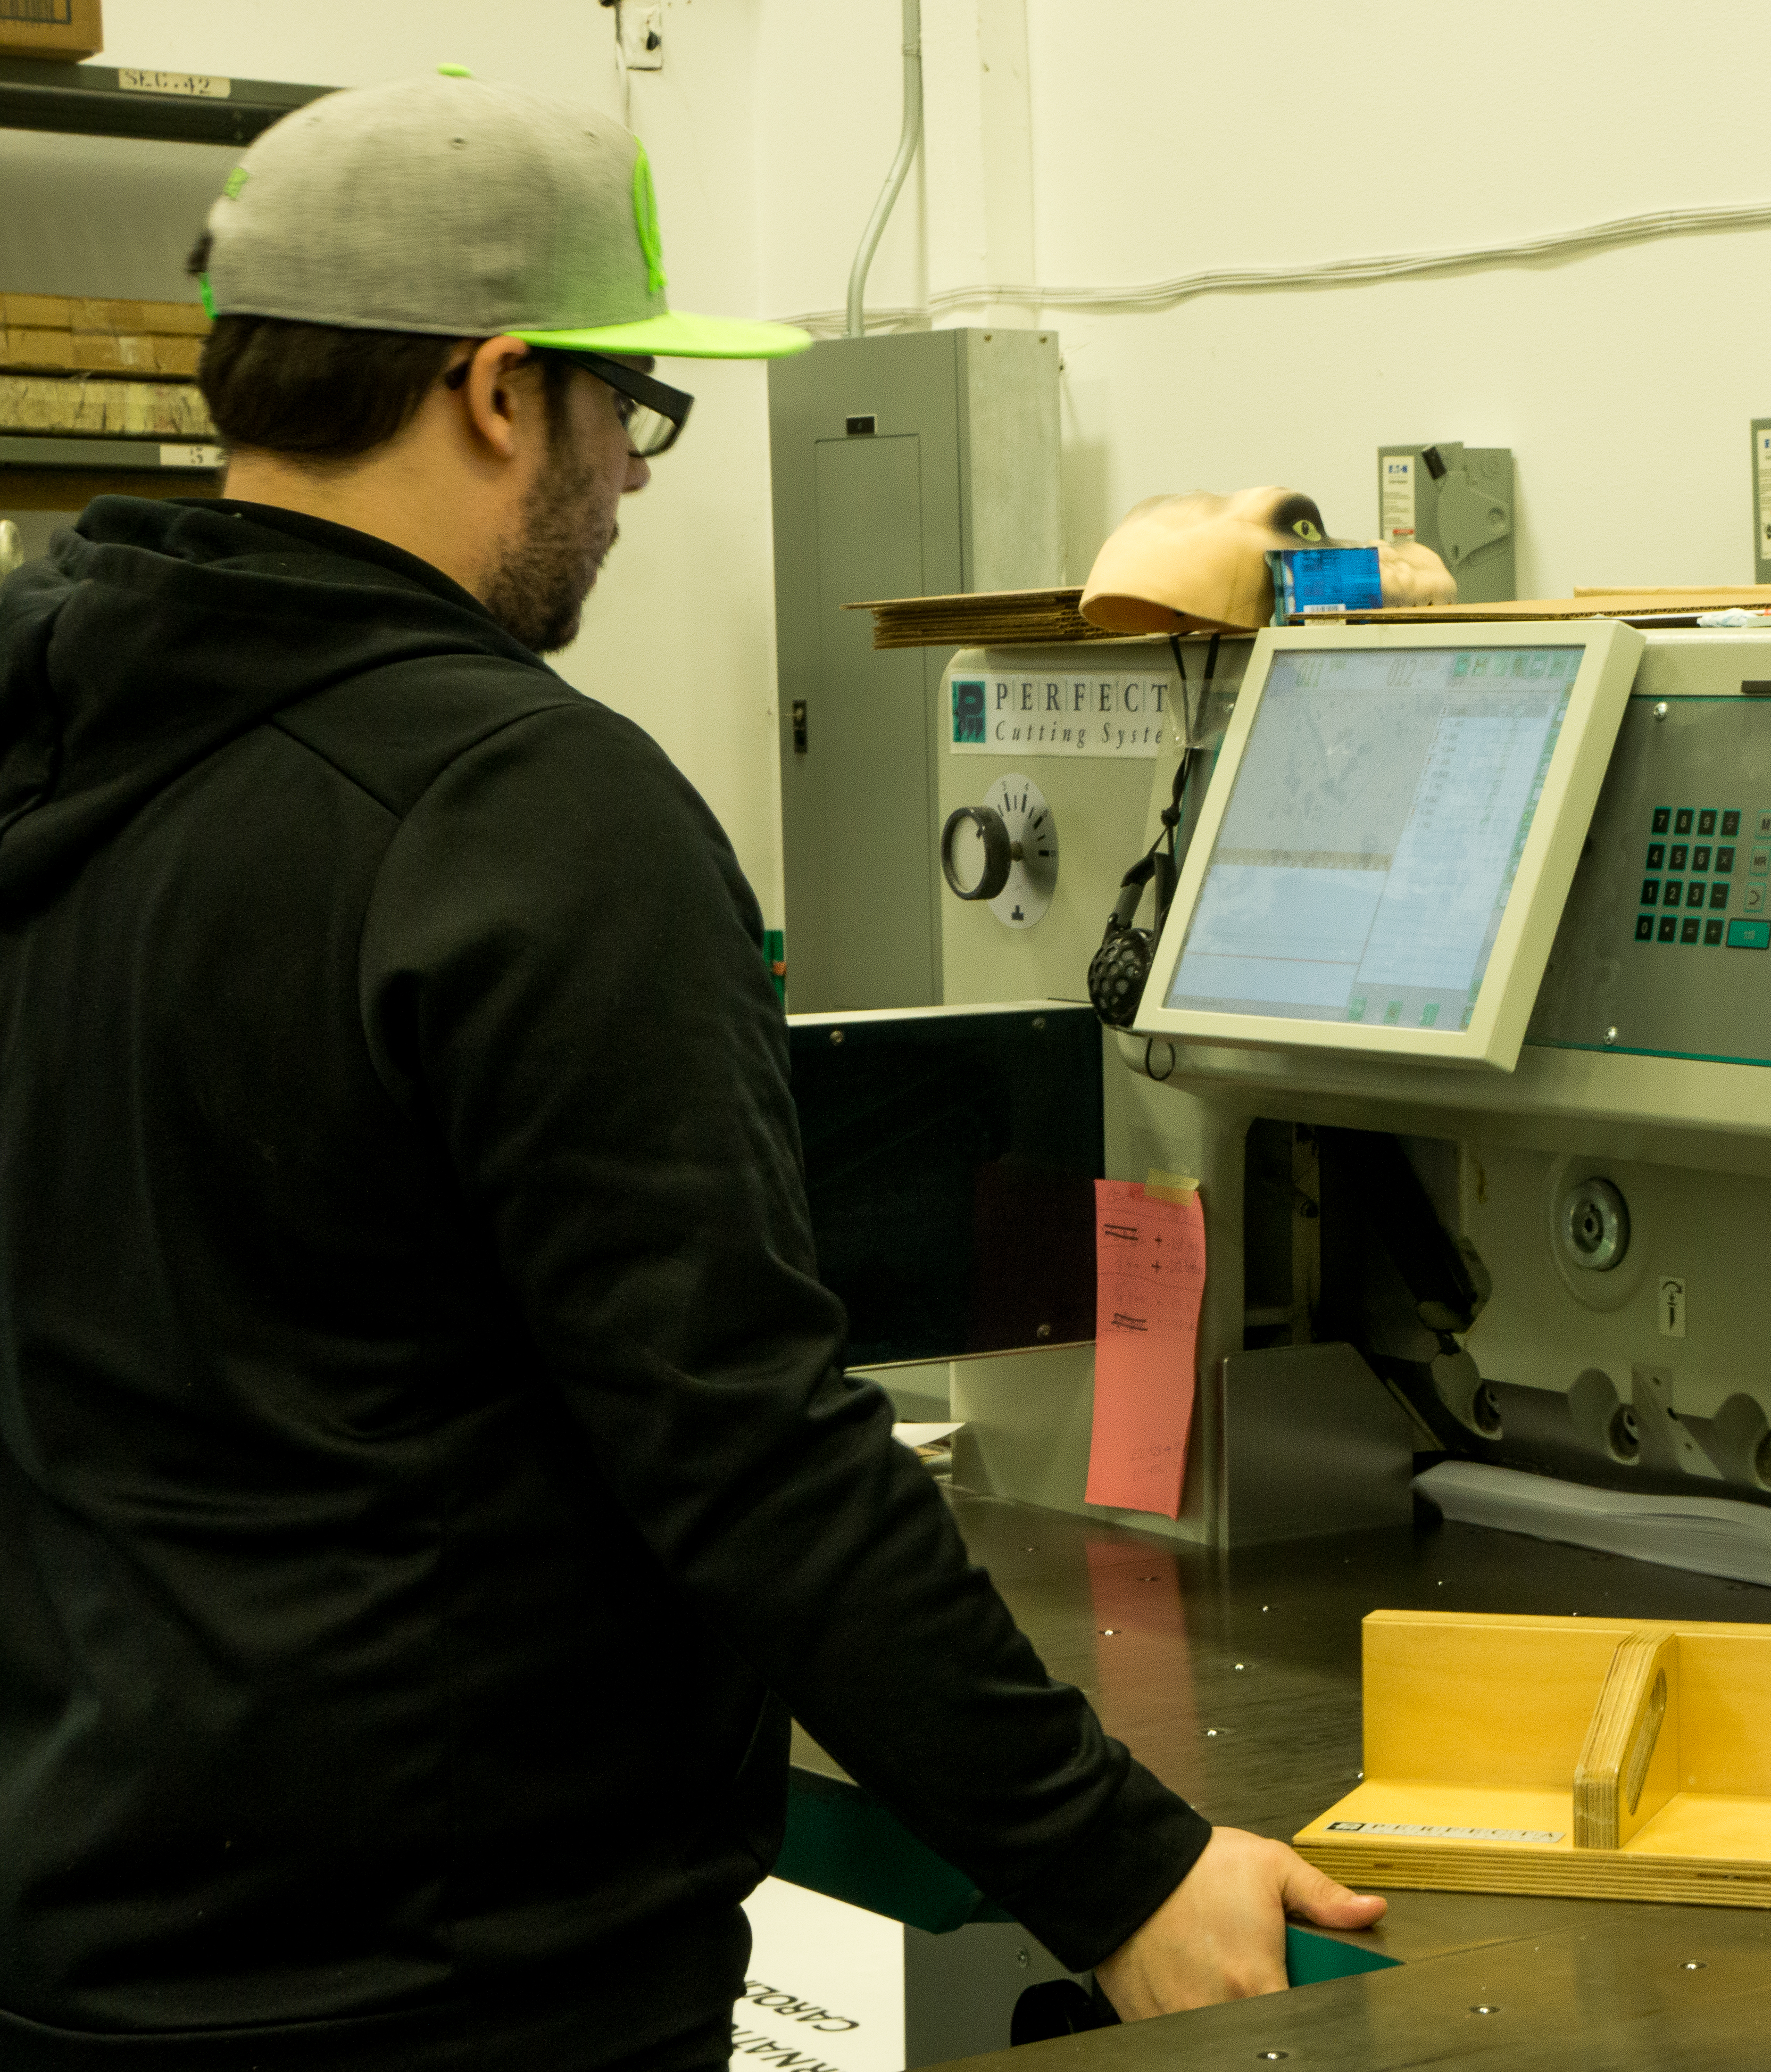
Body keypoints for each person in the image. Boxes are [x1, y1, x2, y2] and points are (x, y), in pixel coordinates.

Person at [0, 72, 1380, 2072]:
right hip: (441, 1979)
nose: (634, 479)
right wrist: (1121, 1868)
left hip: (84, 1916)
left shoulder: (52, 723)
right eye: (626, 411)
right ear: (495, 389)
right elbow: (742, 1446)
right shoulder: (522, 808)